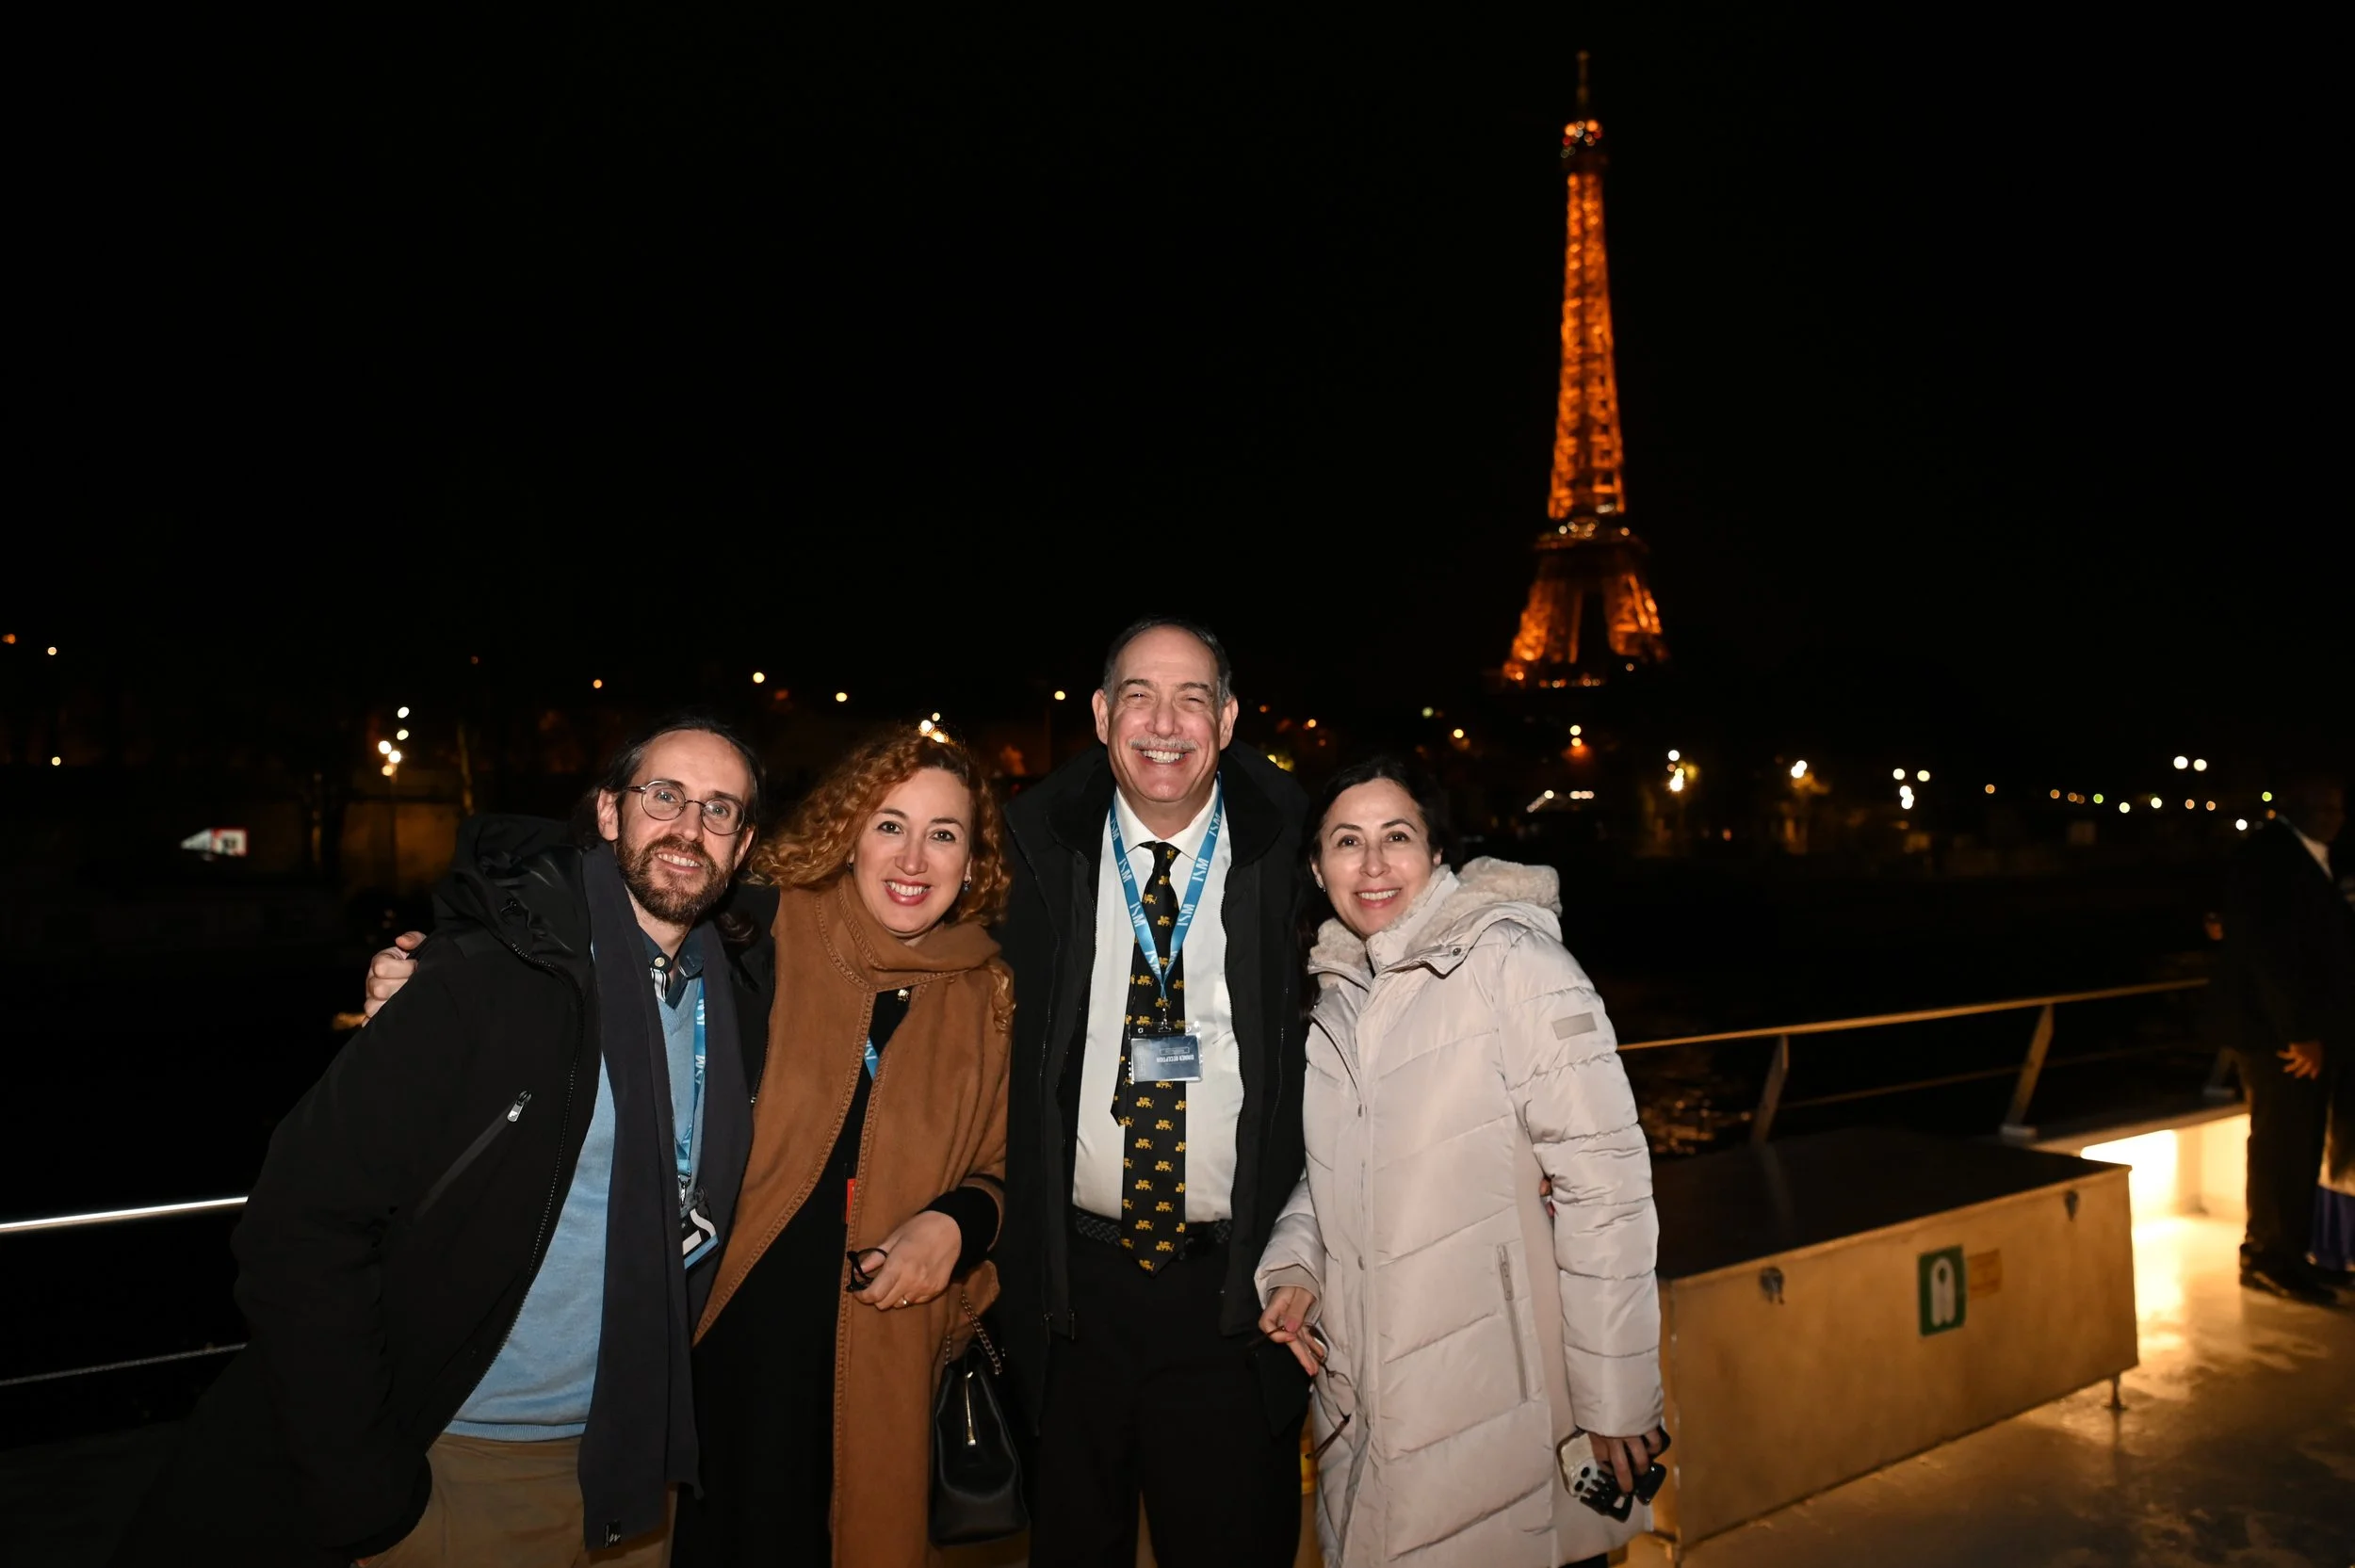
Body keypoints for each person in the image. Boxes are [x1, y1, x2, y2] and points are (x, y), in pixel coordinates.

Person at [115, 715, 775, 1567]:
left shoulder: (741, 997)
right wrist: (365, 1488)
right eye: (664, 796)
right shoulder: (484, 977)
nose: (689, 826)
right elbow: (298, 1224)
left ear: (744, 840)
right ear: (609, 812)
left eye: (719, 809)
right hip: (461, 1464)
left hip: (634, 1470)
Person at [1254, 754, 1665, 1568]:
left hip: (1498, 1407)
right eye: (1346, 841)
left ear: (1438, 852)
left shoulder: (1515, 966)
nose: (1372, 865)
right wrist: (1296, 1258)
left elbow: (1605, 1185)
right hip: (1371, 1408)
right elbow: (1337, 1167)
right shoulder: (1338, 996)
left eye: (1396, 836)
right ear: (1317, 865)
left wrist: (1618, 1399)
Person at [994, 617, 1314, 1568]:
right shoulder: (1028, 856)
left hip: (1234, 1301)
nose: (1164, 722)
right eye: (1139, 694)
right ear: (1100, 715)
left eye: (1191, 698)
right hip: (1072, 1295)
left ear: (1228, 717)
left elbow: (1414, 961)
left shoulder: (1298, 859)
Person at [671, 731, 1015, 1567]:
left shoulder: (987, 989)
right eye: (889, 824)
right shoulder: (762, 929)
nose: (913, 857)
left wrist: (959, 1225)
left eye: (944, 834)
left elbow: (1006, 1170)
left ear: (972, 862)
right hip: (732, 1343)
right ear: (847, 834)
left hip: (886, 1359)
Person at [2220, 768, 2352, 1303]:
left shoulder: (2315, 855)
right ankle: (2267, 1257)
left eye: (2339, 808)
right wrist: (2299, 1034)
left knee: (2299, 1143)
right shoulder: (2273, 856)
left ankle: (2291, 1256)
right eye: (2323, 809)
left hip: (2303, 1033)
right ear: (2296, 810)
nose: (2335, 819)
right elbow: (2271, 957)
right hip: (2279, 1037)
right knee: (2280, 1142)